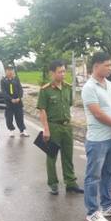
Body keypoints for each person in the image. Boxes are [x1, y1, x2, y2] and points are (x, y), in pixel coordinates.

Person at [81, 52, 111, 221]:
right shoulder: (89, 88)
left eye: (110, 65)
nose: (110, 68)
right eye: (107, 65)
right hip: (97, 140)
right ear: (96, 66)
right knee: (93, 176)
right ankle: (92, 212)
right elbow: (98, 114)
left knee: (109, 173)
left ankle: (108, 206)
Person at [37, 60, 84, 195]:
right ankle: (53, 183)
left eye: (64, 71)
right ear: (52, 73)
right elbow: (42, 110)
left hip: (66, 126)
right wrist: (46, 129)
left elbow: (68, 105)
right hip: (53, 127)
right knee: (51, 156)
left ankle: (70, 182)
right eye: (60, 72)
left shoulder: (67, 88)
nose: (63, 74)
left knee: (68, 156)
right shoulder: (45, 90)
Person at [1, 65, 29, 138]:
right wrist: (11, 99)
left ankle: (22, 130)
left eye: (11, 70)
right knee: (9, 118)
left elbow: (20, 89)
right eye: (8, 70)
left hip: (18, 102)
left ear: (13, 71)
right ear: (6, 71)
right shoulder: (3, 80)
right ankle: (11, 130)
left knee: (20, 117)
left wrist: (19, 98)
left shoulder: (16, 79)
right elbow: (4, 92)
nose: (10, 72)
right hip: (9, 103)